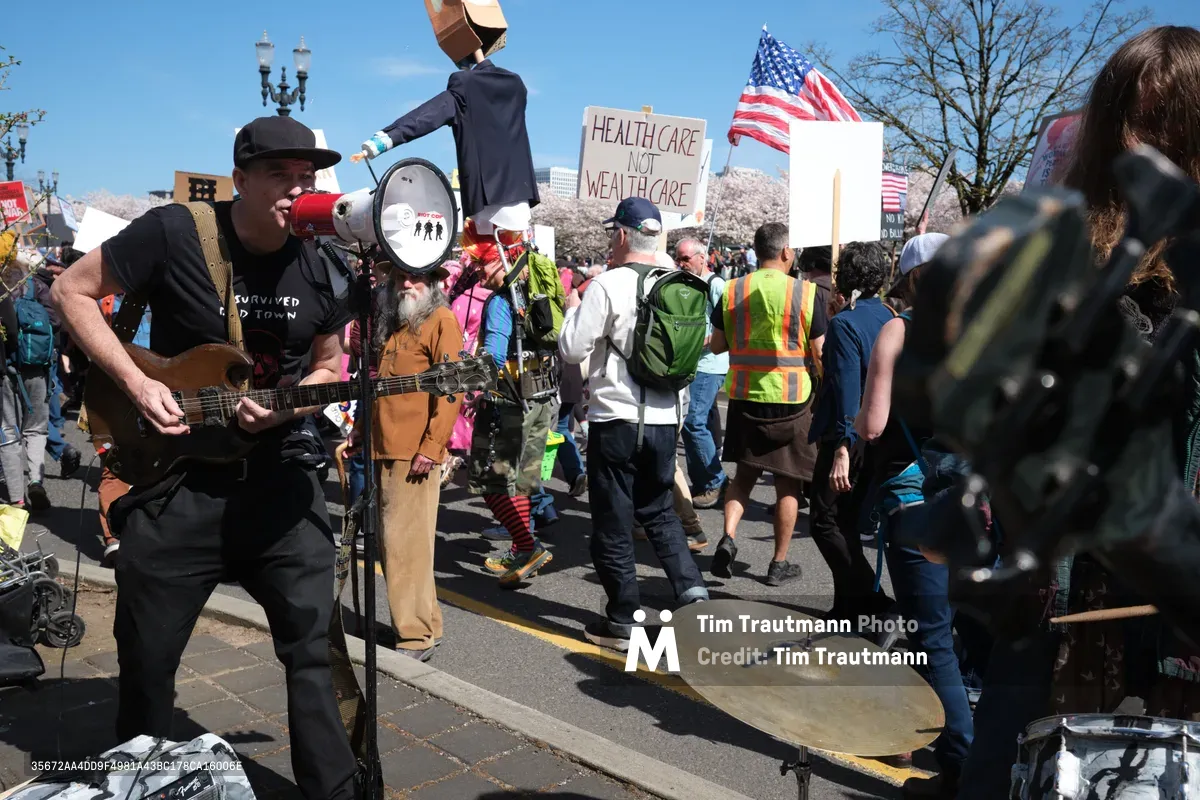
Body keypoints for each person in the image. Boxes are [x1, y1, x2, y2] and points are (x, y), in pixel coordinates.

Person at [49, 115, 361, 800]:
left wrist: (293, 404)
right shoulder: (176, 232)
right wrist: (139, 382)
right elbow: (70, 290)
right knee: (148, 665)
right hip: (179, 485)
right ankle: (143, 785)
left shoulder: (326, 260)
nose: (297, 187)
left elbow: (330, 363)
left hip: (281, 486)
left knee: (314, 654)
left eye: (307, 175)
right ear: (241, 179)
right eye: (280, 173)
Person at [855, 232, 981, 798]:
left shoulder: (898, 330)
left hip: (916, 500)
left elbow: (872, 426)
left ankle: (963, 766)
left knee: (934, 636)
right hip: (980, 502)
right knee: (960, 633)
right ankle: (920, 733)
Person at [559, 197, 709, 651]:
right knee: (659, 508)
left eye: (611, 233)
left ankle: (623, 619)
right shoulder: (681, 282)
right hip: (667, 419)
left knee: (613, 518)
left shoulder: (607, 285)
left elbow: (571, 349)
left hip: (618, 417)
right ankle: (692, 592)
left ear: (622, 235)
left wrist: (572, 306)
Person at [354, 257, 461, 661]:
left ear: (433, 282)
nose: (405, 283)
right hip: (386, 444)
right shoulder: (396, 321)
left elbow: (452, 390)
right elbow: (380, 385)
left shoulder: (442, 320)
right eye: (400, 276)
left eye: (415, 276)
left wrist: (432, 447)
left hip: (413, 451)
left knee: (402, 546)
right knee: (404, 544)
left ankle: (413, 636)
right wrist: (359, 430)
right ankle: (425, 625)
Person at [709, 223, 825, 585]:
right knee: (787, 484)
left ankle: (728, 537)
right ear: (787, 252)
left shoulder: (732, 289)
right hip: (791, 401)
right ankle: (778, 563)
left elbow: (716, 345)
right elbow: (820, 353)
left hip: (744, 397)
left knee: (743, 476)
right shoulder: (806, 293)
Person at [806, 241, 896, 623]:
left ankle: (875, 601)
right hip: (880, 434)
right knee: (845, 522)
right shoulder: (889, 315)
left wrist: (843, 447)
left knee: (825, 521)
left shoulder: (846, 323)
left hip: (849, 436)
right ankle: (847, 607)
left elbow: (845, 387)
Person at [463, 223, 557, 586]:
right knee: (521, 482)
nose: (478, 271)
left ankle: (527, 545)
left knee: (490, 483)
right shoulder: (539, 289)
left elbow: (494, 357)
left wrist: (474, 390)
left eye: (482, 263)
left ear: (502, 260)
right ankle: (523, 549)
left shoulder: (501, 302)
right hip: (540, 397)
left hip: (507, 402)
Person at [675, 238, 727, 509]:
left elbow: (727, 324)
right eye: (678, 259)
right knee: (699, 423)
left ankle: (715, 481)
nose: (681, 264)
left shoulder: (715, 284)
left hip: (711, 364)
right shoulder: (686, 285)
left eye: (686, 258)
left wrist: (700, 342)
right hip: (694, 363)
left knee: (693, 421)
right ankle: (704, 480)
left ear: (701, 257)